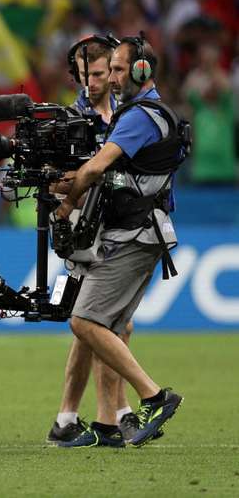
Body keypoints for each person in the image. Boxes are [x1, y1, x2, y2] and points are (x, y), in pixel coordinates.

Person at [54, 35, 186, 448]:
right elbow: (118, 177)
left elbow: (97, 169)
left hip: (131, 234)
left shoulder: (137, 117)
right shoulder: (146, 112)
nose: (110, 79)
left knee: (84, 321)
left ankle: (154, 397)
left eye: (116, 69)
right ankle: (107, 424)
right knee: (110, 325)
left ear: (142, 71)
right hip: (141, 232)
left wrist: (67, 200)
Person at [47, 35, 151, 446]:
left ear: (115, 72)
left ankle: (74, 418)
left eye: (96, 73)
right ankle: (113, 416)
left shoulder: (126, 114)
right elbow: (54, 181)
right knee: (104, 322)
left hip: (118, 228)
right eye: (83, 74)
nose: (89, 82)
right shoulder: (72, 119)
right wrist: (83, 181)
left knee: (98, 325)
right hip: (86, 231)